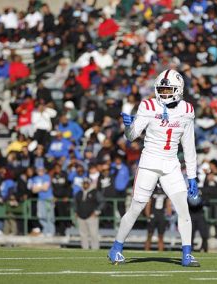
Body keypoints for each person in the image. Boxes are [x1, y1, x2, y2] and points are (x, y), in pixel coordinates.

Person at [108, 69, 200, 267]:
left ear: (179, 89)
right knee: (137, 207)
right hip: (149, 162)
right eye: (162, 89)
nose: (164, 93)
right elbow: (132, 136)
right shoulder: (148, 105)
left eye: (169, 89)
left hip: (171, 164)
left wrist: (192, 175)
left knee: (183, 209)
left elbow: (189, 145)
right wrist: (128, 126)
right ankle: (116, 247)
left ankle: (186, 254)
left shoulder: (186, 110)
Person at [75, 177, 105, 249]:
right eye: (84, 183)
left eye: (86, 183)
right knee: (83, 235)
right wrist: (76, 212)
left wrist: (96, 211)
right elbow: (75, 203)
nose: (85, 185)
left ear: (89, 184)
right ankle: (85, 249)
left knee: (93, 234)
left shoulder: (95, 192)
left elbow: (102, 202)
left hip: (92, 216)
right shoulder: (79, 193)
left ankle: (95, 249)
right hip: (81, 217)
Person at [144, 183, 171, 251]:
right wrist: (148, 216)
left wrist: (168, 214)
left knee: (161, 236)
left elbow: (168, 204)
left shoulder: (165, 192)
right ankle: (146, 251)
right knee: (149, 235)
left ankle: (160, 252)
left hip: (161, 215)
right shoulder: (152, 192)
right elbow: (148, 204)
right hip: (153, 214)